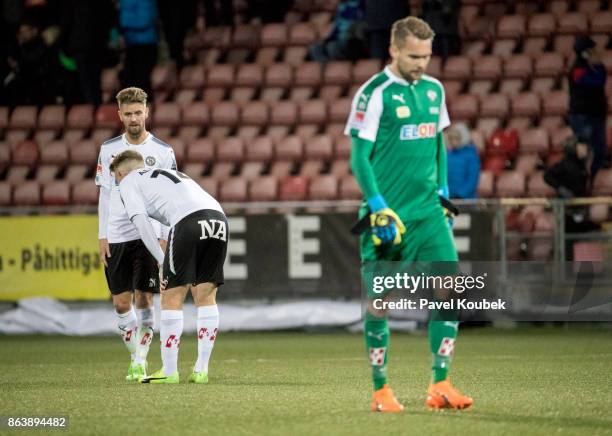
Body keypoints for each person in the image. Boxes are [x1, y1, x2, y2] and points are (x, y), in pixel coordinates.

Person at [345, 16, 473, 412]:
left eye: (427, 56)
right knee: (380, 302)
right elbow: (359, 158)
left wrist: (444, 191)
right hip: (389, 219)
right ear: (394, 49)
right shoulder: (374, 93)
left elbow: (437, 141)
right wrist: (378, 204)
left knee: (449, 291)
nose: (422, 63)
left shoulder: (435, 90)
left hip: (428, 214)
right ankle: (381, 390)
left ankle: (441, 384)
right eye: (414, 56)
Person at [109, 150, 228, 384]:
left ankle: (169, 370)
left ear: (120, 174)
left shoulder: (128, 182)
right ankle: (201, 370)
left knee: (171, 296)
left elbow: (141, 223)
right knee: (206, 296)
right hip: (218, 218)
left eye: (115, 178)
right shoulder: (166, 172)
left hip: (188, 222)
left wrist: (161, 259)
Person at [96, 87, 177, 381]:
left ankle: (139, 360)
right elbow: (105, 195)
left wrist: (165, 235)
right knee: (120, 303)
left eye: (138, 112)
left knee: (144, 298)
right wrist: (102, 236)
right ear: (120, 115)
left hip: (150, 235)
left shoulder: (163, 152)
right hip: (117, 235)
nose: (133, 118)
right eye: (128, 113)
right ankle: (136, 354)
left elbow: (171, 197)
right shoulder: (108, 150)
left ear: (147, 112)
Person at [568, 36, 608, 179]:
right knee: (584, 147)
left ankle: (592, 178)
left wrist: (597, 66)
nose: (595, 52)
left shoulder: (593, 66)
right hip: (582, 115)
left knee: (600, 150)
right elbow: (596, 82)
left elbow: (601, 79)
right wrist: (598, 65)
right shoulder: (577, 69)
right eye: (592, 50)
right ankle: (581, 178)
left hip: (597, 114)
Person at [119, 0, 158, 99]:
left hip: (145, 44)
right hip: (131, 44)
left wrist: (122, 23)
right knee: (128, 80)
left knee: (142, 81)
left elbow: (145, 20)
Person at [446, 122, 481, 199]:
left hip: (466, 200)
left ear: (463, 137)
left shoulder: (471, 155)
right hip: (449, 199)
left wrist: (461, 194)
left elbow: (473, 179)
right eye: (451, 138)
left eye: (456, 138)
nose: (453, 141)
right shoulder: (447, 155)